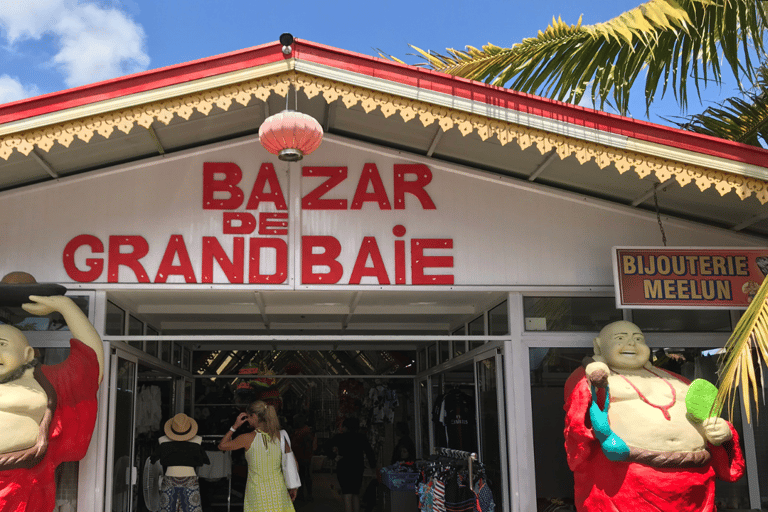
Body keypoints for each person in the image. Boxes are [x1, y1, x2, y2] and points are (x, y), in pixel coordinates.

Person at [564, 320, 745, 512]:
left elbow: (707, 416)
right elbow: (579, 426)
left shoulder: (676, 380)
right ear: (598, 345)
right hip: (628, 482)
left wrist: (723, 432)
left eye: (638, 339)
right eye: (620, 338)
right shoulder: (589, 379)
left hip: (694, 482)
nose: (631, 344)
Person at [0, 292, 104, 512]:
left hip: (23, 483)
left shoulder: (45, 382)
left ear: (28, 354)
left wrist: (66, 307)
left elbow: (89, 364)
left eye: (2, 344)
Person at [218, 400, 297, 512]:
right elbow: (292, 463)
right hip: (279, 492)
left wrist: (235, 426)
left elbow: (222, 446)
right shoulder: (280, 436)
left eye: (247, 417)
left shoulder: (247, 438)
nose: (247, 421)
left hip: (257, 493)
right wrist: (294, 487)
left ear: (254, 416)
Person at [151, 413, 210, 512]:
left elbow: (153, 460)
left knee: (167, 509)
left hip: (170, 478)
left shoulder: (163, 441)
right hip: (190, 479)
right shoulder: (197, 441)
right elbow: (204, 460)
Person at [329, 417, 377, 512]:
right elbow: (369, 452)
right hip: (357, 467)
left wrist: (334, 456)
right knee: (355, 493)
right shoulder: (361, 437)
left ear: (345, 427)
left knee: (347, 494)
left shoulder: (339, 437)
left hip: (343, 467)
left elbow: (326, 446)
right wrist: (373, 468)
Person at [290, 413, 317, 501]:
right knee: (302, 476)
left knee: (304, 476)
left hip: (304, 458)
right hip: (299, 457)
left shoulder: (305, 431)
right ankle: (302, 494)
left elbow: (308, 445)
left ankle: (307, 495)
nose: (294, 422)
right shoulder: (299, 430)